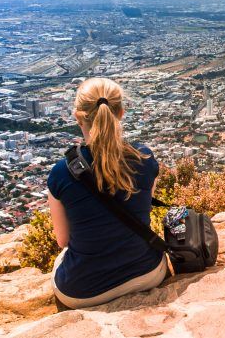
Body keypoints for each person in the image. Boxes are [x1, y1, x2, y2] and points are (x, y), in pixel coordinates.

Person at [47, 77, 169, 309]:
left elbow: (63, 240)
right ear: (121, 112)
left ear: (78, 117)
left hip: (83, 292)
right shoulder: (143, 158)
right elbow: (144, 205)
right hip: (147, 274)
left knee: (61, 260)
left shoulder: (62, 173)